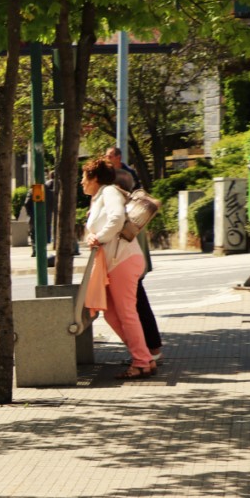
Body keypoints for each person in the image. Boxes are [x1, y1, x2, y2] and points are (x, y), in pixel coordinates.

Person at [82, 157, 154, 379]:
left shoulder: (109, 192)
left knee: (126, 314)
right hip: (114, 261)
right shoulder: (99, 197)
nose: (81, 182)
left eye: (83, 177)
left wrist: (98, 238)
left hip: (122, 260)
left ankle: (142, 361)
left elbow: (117, 217)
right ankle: (143, 357)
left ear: (94, 178)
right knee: (112, 314)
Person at [106, 147, 163, 361]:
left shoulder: (127, 212)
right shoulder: (131, 209)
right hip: (130, 264)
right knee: (137, 305)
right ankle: (150, 350)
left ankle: (149, 352)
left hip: (125, 264)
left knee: (135, 308)